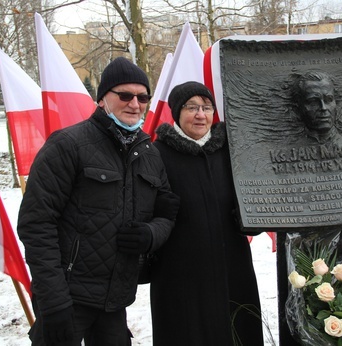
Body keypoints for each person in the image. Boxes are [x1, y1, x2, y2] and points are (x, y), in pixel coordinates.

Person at [17, 57, 179, 346]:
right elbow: (36, 224)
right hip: (66, 297)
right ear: (102, 98)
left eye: (142, 97)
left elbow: (166, 215)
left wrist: (150, 234)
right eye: (125, 95)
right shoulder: (67, 145)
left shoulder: (150, 154)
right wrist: (53, 300)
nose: (135, 104)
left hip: (115, 301)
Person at [151, 81, 264, 346]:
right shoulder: (157, 155)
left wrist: (251, 220)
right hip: (180, 274)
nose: (200, 114)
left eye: (206, 107)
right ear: (177, 113)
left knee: (237, 332)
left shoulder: (229, 152)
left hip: (232, 267)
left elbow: (253, 196)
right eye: (191, 108)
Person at [291, 70, 342, 146]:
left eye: (329, 99)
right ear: (298, 107)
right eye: (313, 102)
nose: (323, 108)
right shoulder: (289, 149)